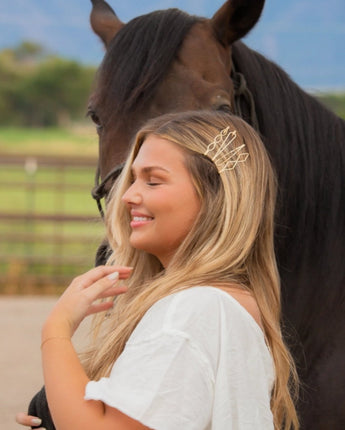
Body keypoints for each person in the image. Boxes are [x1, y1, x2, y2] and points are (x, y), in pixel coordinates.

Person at [16, 110, 299, 430]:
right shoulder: (228, 305)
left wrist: (55, 329)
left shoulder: (190, 311)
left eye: (153, 181)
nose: (128, 196)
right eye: (133, 179)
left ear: (216, 197)